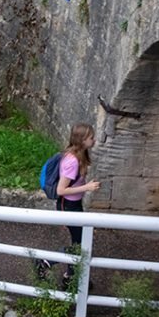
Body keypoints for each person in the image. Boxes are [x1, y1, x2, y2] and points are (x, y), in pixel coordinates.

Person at [38, 123, 101, 288]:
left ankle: (70, 276)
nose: (94, 140)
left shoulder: (79, 155)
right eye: (91, 137)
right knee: (80, 244)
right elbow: (61, 190)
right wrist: (87, 187)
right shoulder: (72, 161)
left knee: (79, 242)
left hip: (74, 204)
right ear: (82, 140)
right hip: (68, 206)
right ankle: (46, 262)